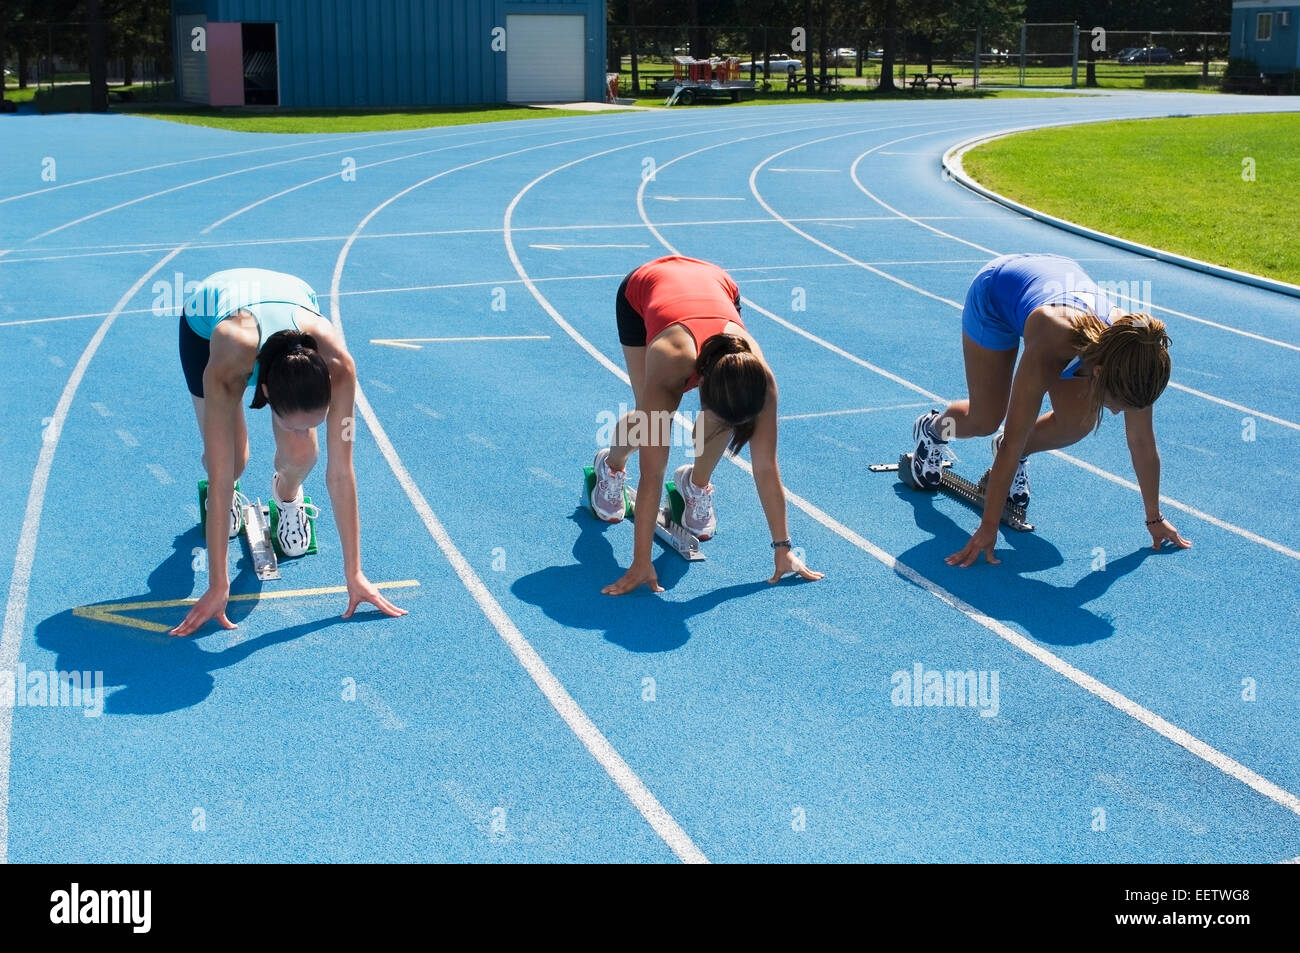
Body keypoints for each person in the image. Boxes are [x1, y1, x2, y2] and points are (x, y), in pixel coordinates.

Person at [909, 253, 1191, 567]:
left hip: (1062, 292)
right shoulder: (1051, 341)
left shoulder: (1138, 358)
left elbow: (1141, 441)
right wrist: (988, 527)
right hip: (996, 296)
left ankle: (1012, 462)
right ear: (1099, 373)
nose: (1114, 413)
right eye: (1116, 405)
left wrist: (1154, 518)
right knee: (985, 419)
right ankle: (933, 430)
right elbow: (1014, 438)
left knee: (1077, 422)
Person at [171, 267, 407, 635]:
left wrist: (355, 573)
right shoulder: (228, 362)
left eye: (313, 422)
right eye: (292, 422)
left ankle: (287, 497)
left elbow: (341, 472)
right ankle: (235, 496)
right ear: (263, 393)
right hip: (207, 330)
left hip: (283, 313)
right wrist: (218, 585)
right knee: (231, 462)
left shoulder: (339, 367)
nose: (303, 430)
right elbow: (218, 477)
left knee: (302, 453)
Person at [588, 255, 823, 594]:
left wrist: (783, 549)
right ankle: (610, 466)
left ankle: (694, 484)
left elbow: (766, 469)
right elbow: (652, 475)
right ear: (699, 391)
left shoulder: (760, 381)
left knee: (725, 418)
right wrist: (641, 561)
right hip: (644, 290)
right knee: (647, 420)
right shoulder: (668, 370)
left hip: (715, 283)